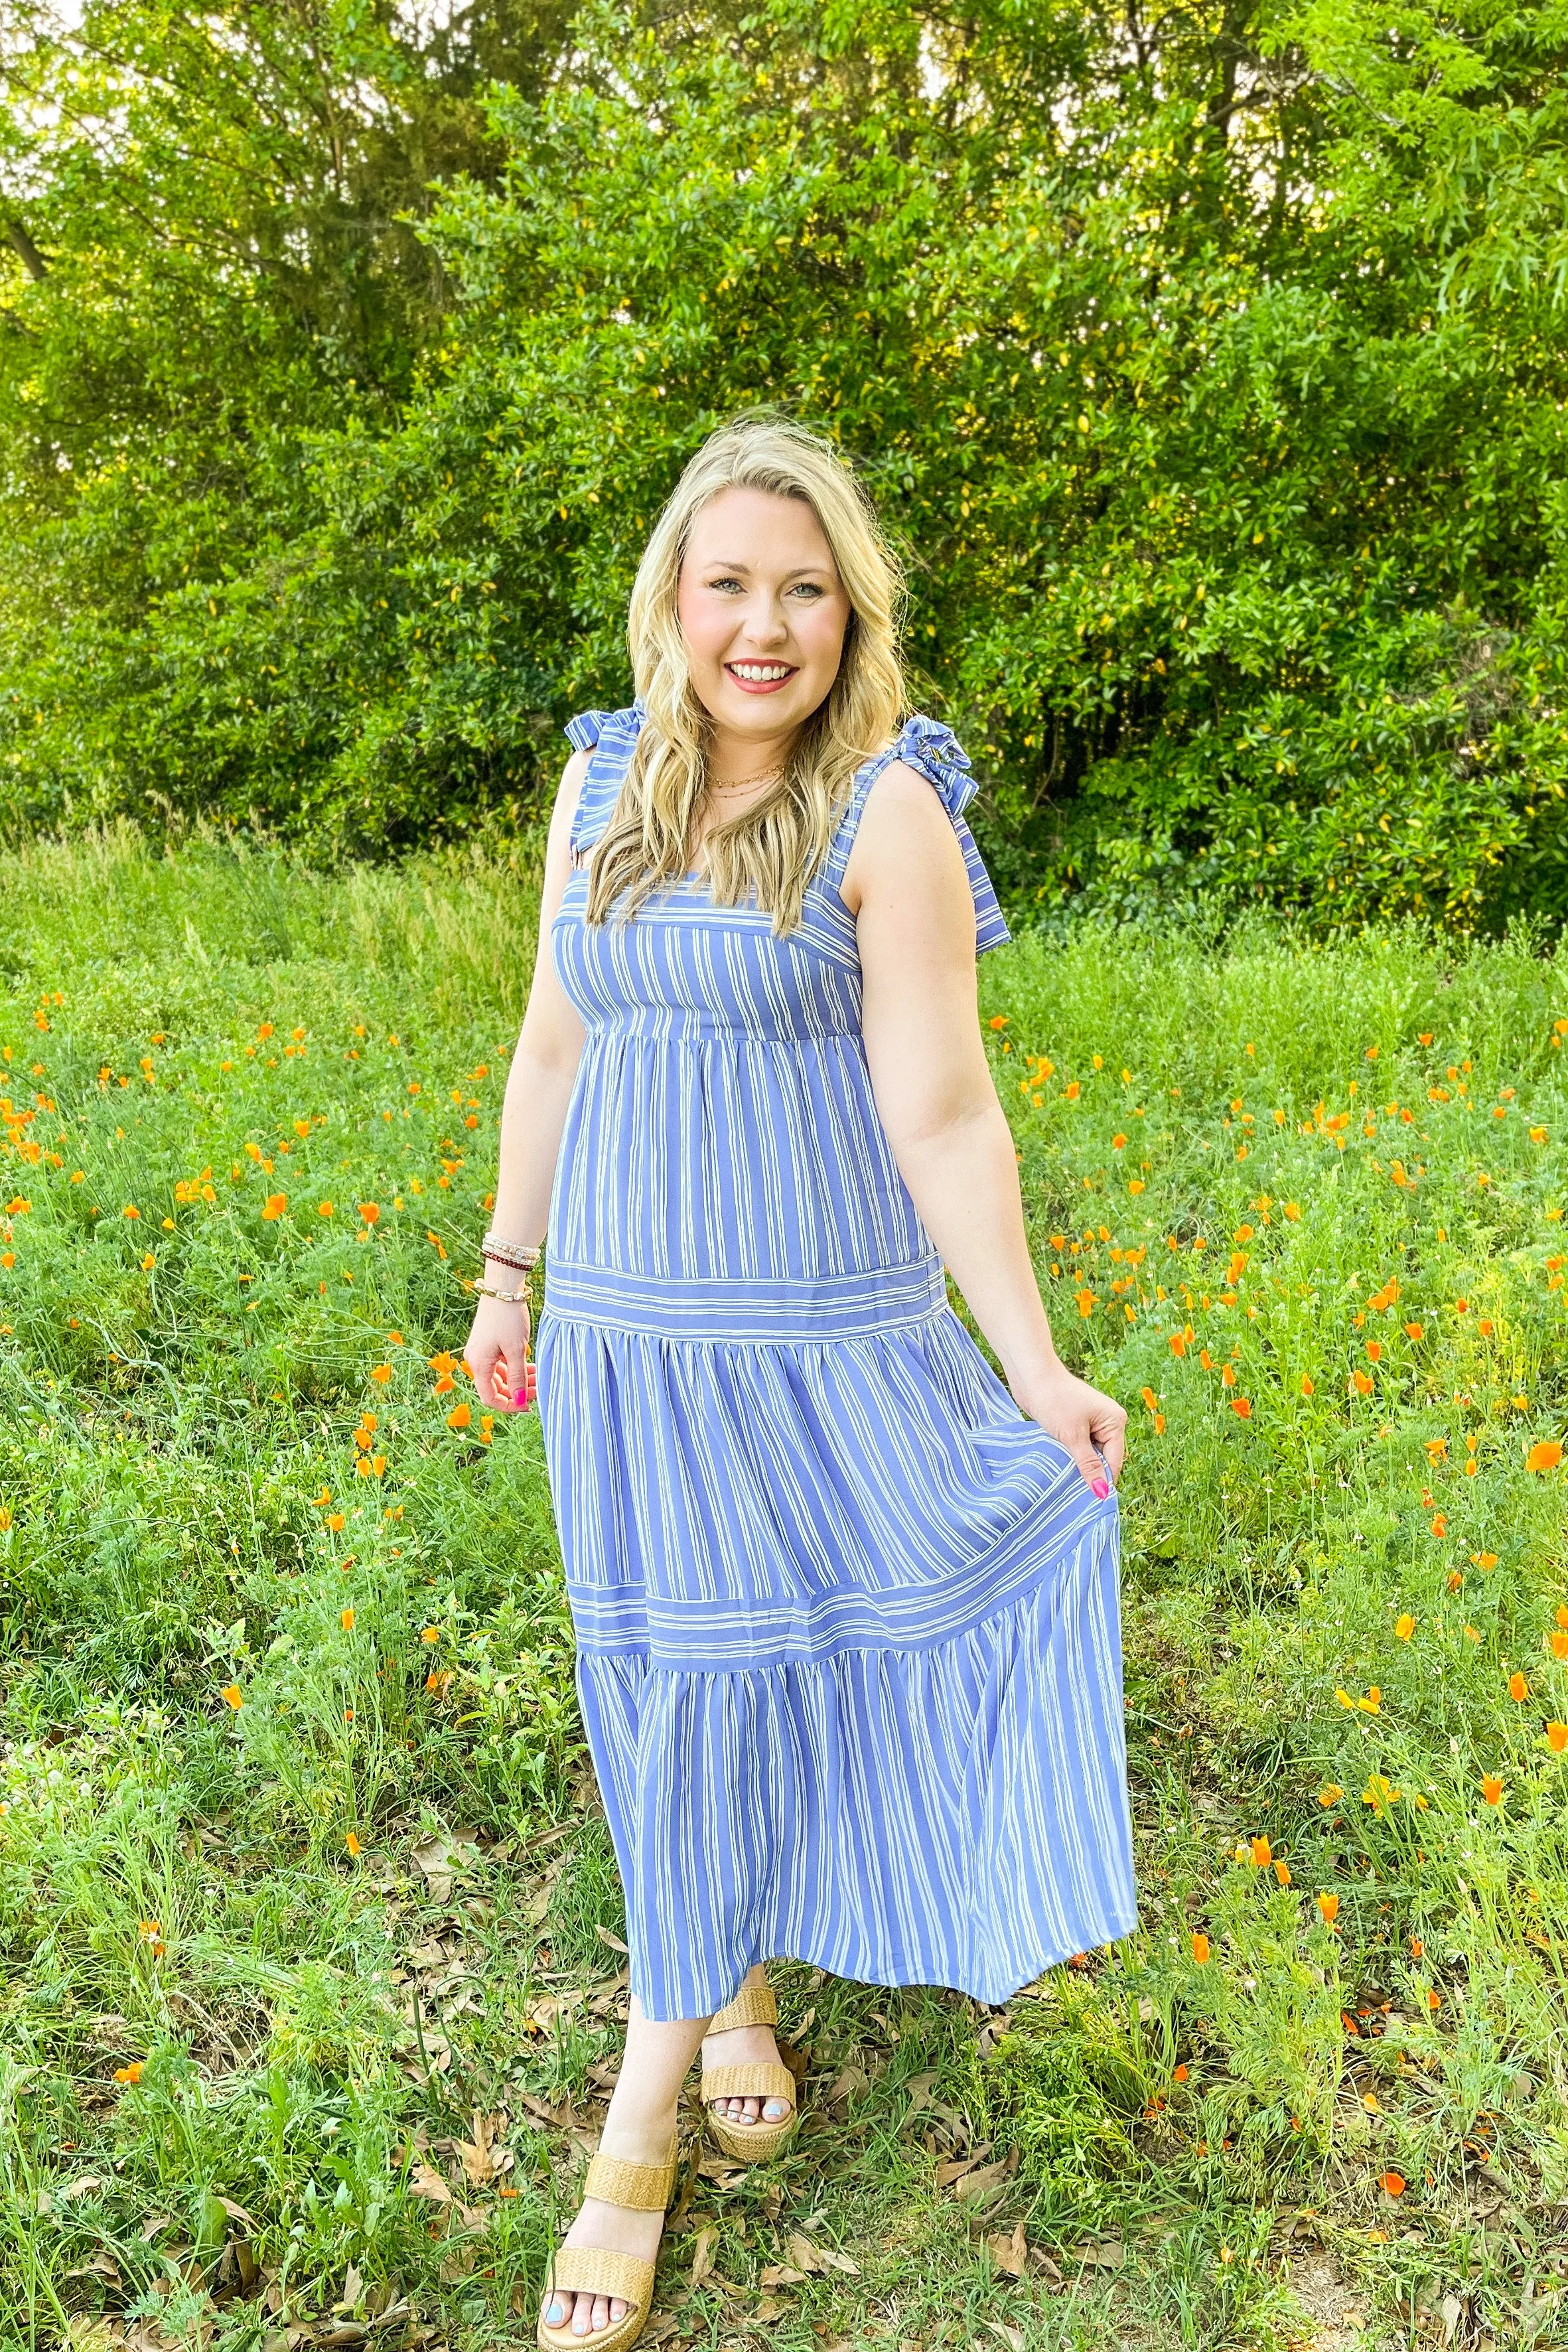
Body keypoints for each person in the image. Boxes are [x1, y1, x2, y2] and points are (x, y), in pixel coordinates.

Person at [465, 413, 1137, 2351]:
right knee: (665, 1682)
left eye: (808, 590)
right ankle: (728, 1990)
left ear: (854, 615)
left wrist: (1031, 1362)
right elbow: (548, 1057)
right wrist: (509, 1272)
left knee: (771, 1659)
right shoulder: (601, 787)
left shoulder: (886, 813)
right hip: (623, 1351)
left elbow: (942, 1111)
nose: (767, 626)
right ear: (673, 597)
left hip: (820, 1349)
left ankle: (634, 2128)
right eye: (734, 583)